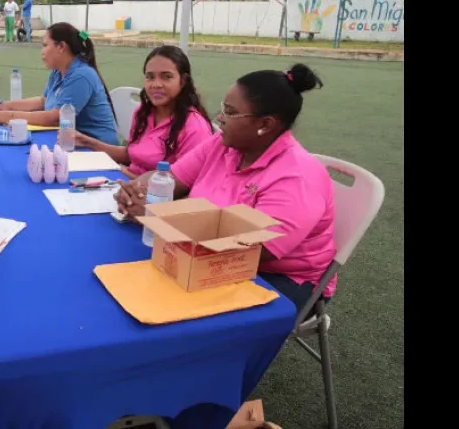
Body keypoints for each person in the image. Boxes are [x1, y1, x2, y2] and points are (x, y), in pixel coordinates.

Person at [115, 64, 336, 315]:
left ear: (265, 124)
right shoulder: (223, 145)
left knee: (172, 308)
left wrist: (157, 217)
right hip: (211, 255)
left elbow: (253, 249)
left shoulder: (297, 177)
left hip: (278, 277)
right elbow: (170, 176)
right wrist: (137, 189)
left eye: (230, 112)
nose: (220, 118)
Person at [75, 46, 213, 179]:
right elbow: (131, 155)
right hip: (125, 185)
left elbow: (184, 186)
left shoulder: (194, 128)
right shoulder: (143, 113)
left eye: (167, 77)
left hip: (154, 198)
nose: (156, 84)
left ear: (182, 81)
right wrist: (89, 143)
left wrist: (134, 180)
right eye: (150, 77)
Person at [0, 22, 119, 146]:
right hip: (70, 140)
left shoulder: (81, 75)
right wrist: (6, 105)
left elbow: (55, 118)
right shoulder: (58, 70)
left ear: (61, 47)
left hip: (96, 149)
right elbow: (43, 101)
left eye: (45, 45)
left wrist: (10, 116)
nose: (42, 51)